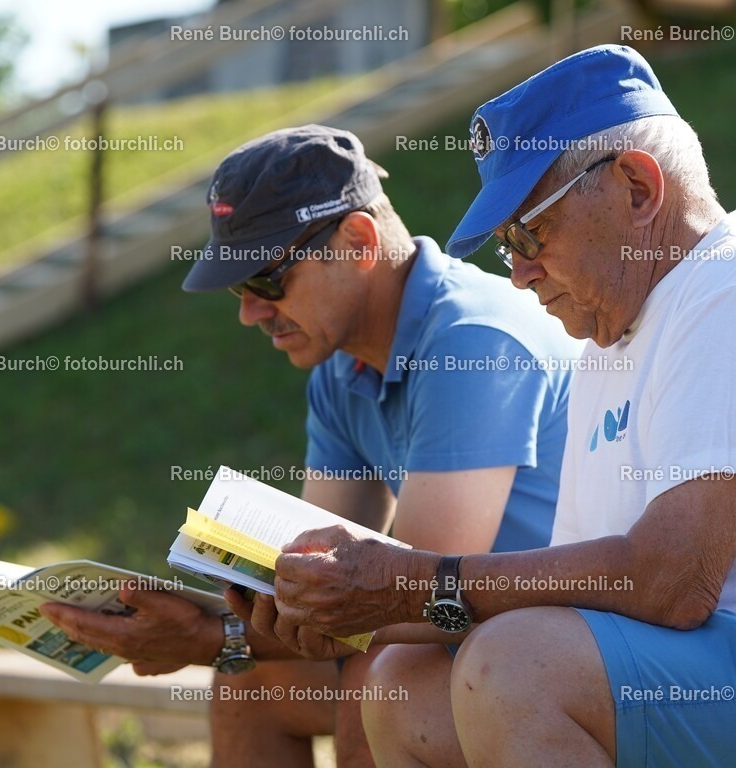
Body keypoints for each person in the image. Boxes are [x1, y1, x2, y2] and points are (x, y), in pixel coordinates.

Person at [241, 46, 736, 767]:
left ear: (637, 188)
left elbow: (671, 582)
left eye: (528, 233)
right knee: (404, 684)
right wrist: (343, 614)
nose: (517, 273)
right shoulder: (615, 338)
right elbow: (591, 600)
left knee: (520, 663)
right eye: (505, 246)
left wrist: (416, 587)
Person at [40, 124, 582, 767]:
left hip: (569, 649)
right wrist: (222, 633)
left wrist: (212, 635)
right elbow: (324, 580)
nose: (250, 312)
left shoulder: (471, 340)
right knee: (253, 686)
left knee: (381, 668)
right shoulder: (341, 365)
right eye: (241, 289)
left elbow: (400, 602)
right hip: (476, 635)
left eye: (266, 280)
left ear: (356, 243)